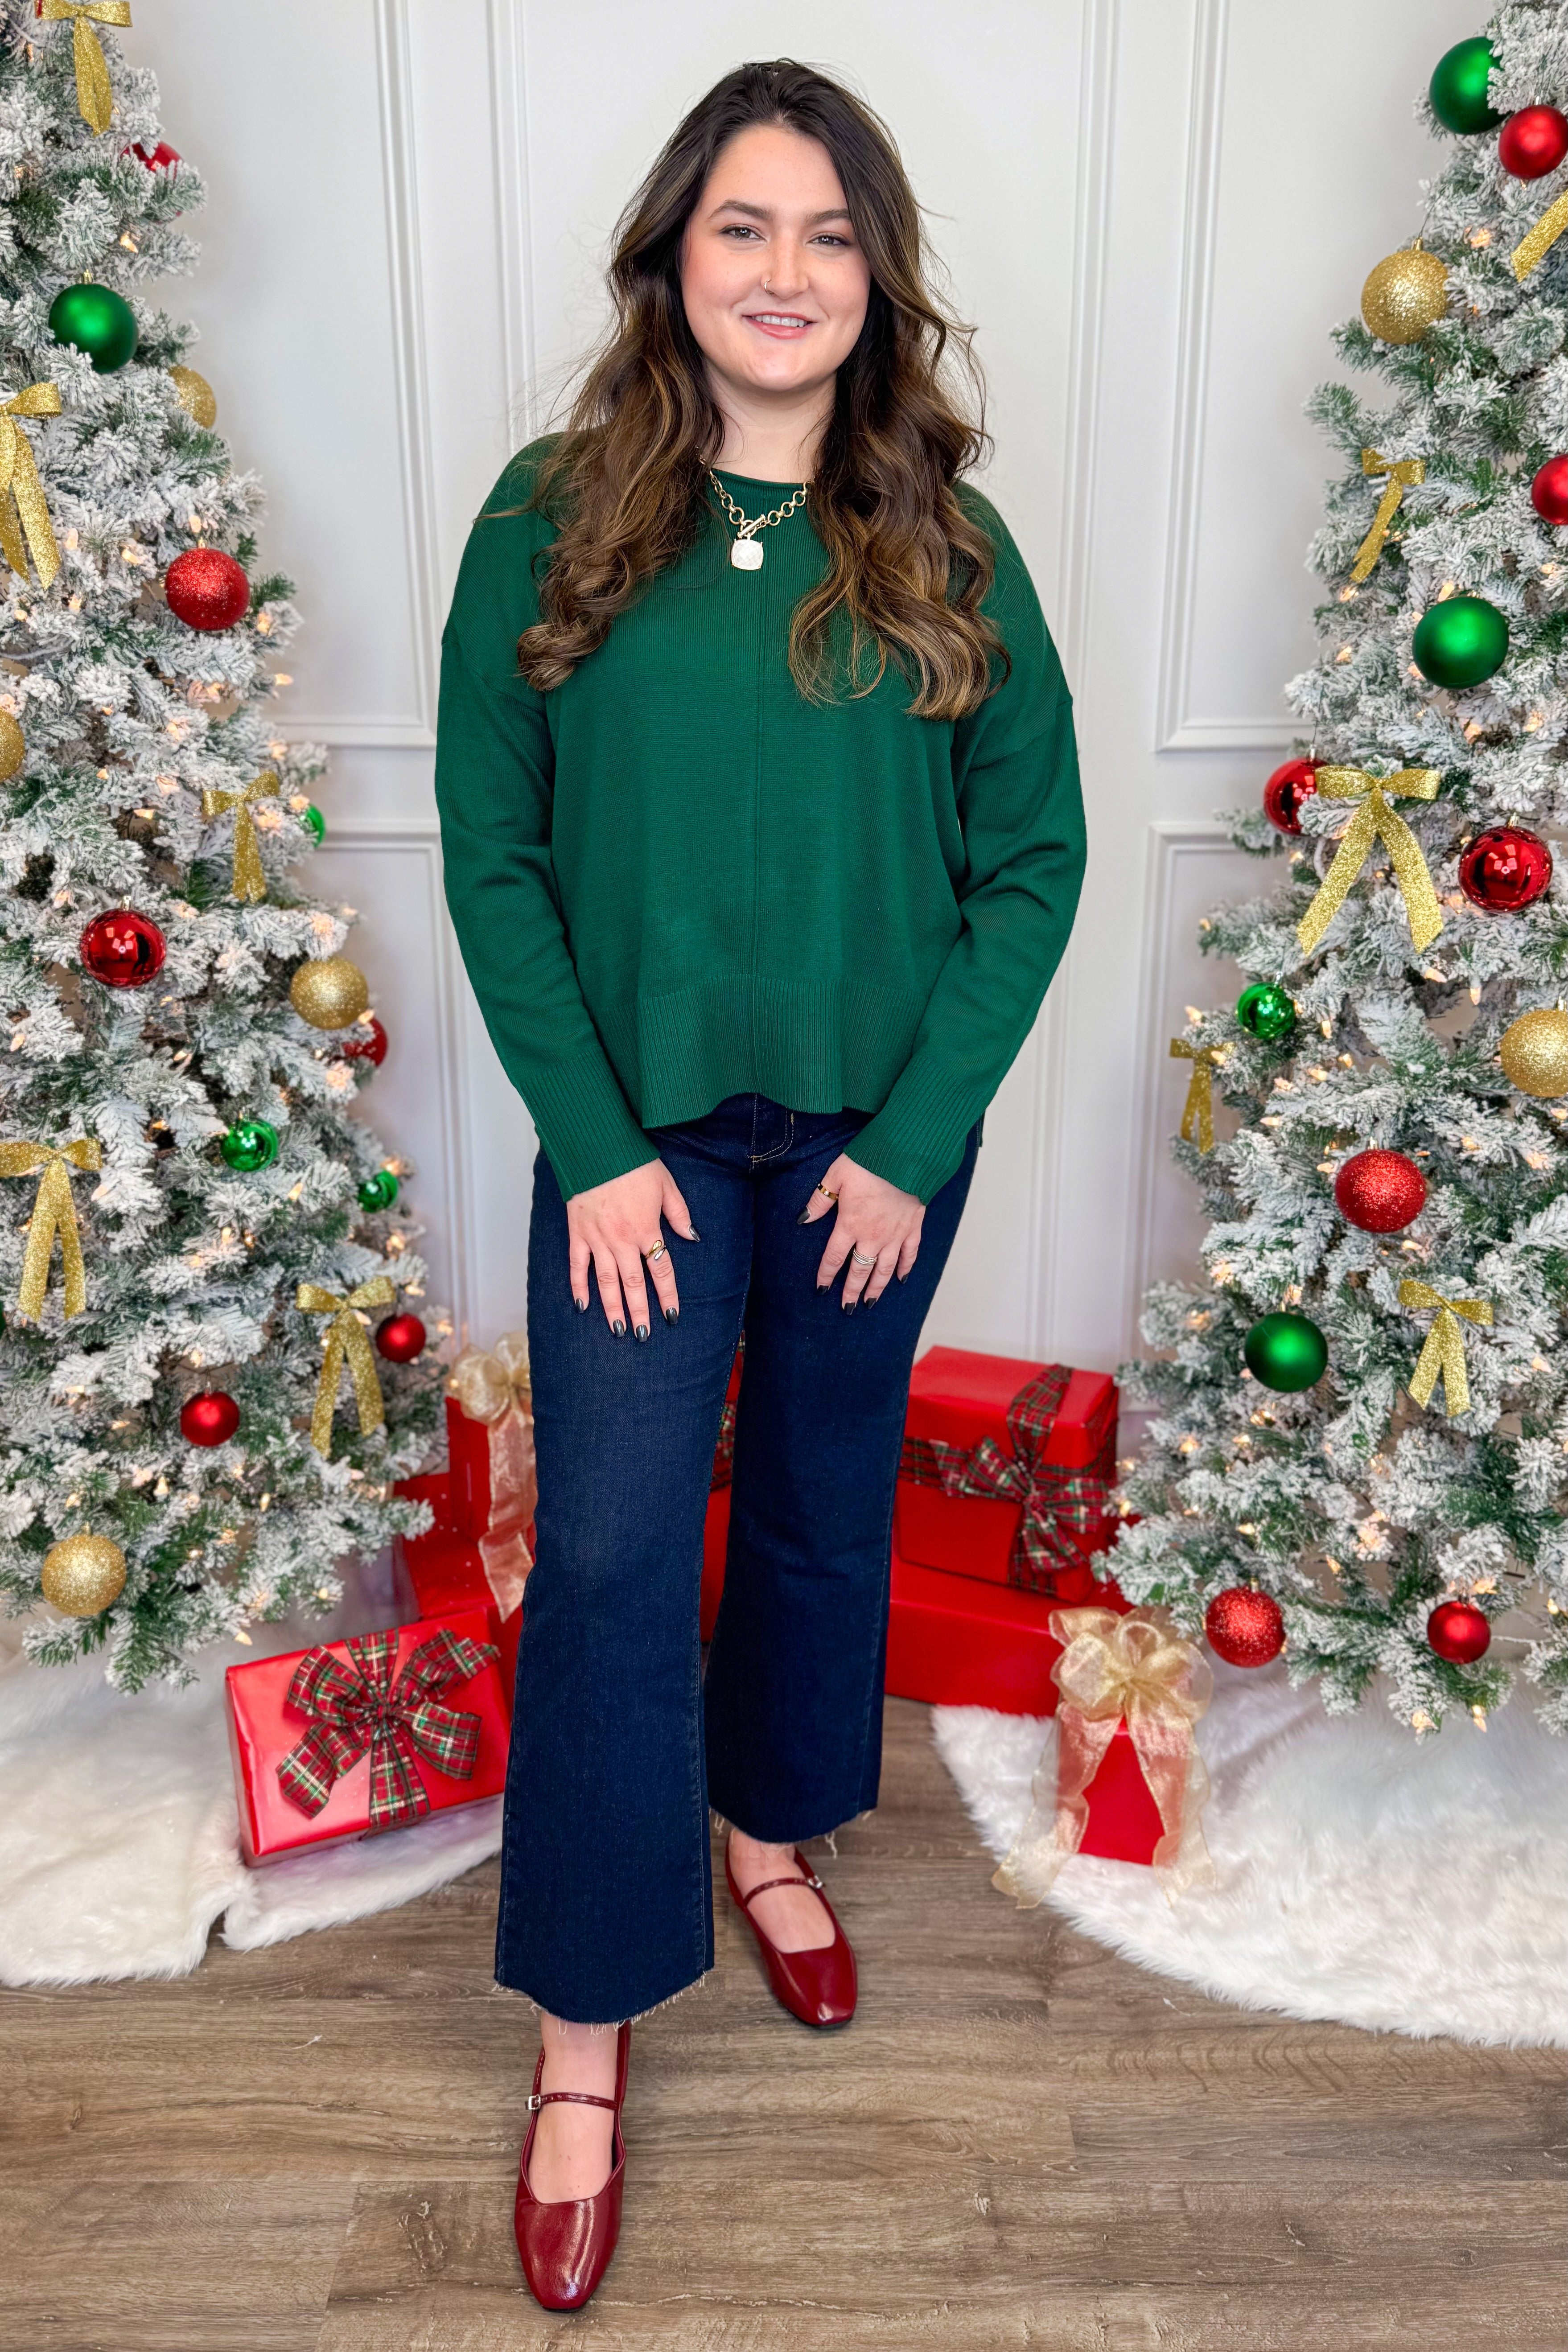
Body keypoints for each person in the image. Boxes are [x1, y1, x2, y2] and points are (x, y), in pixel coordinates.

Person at [433, 56, 1085, 2313]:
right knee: (613, 1557)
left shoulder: (945, 536)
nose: (785, 271)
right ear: (672, 259)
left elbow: (1035, 860)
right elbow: (494, 859)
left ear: (873, 274)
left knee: (818, 1498)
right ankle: (586, 2019)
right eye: (744, 227)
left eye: (826, 233)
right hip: (637, 1144)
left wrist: (912, 1142)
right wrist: (593, 1147)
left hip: (864, 1144)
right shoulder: (549, 516)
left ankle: (769, 1827)